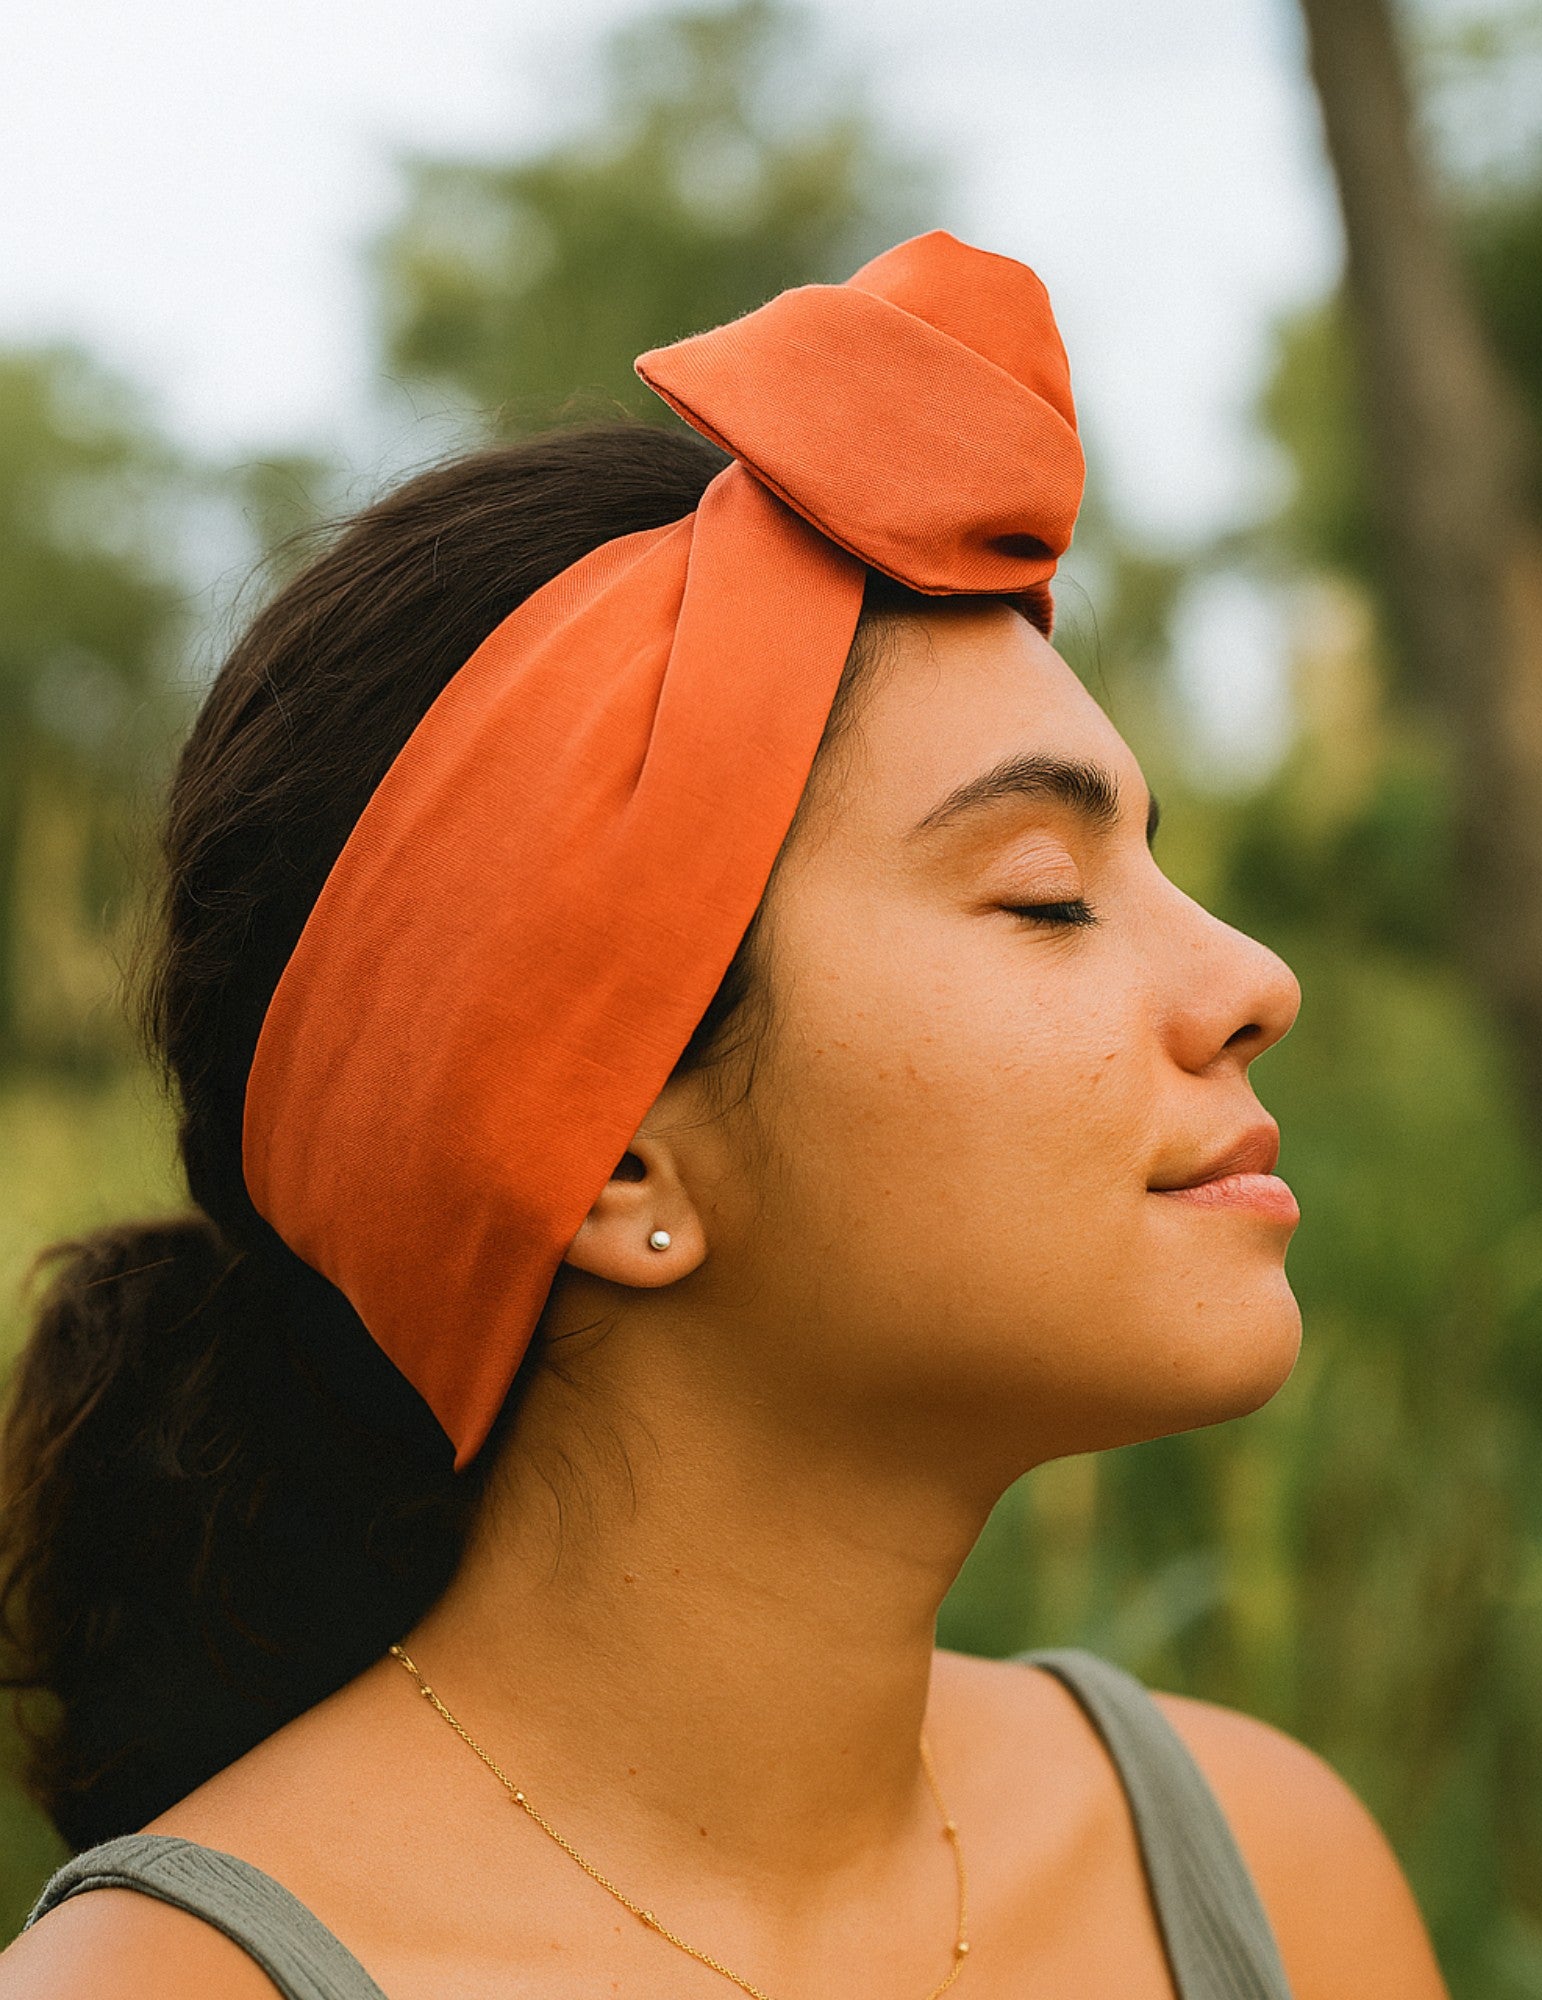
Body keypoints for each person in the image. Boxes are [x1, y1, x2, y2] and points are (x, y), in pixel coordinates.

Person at [0, 232, 1447, 1999]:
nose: (1253, 978)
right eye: (1047, 892)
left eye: (1163, 866)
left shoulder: (1264, 1869)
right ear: (611, 1157)